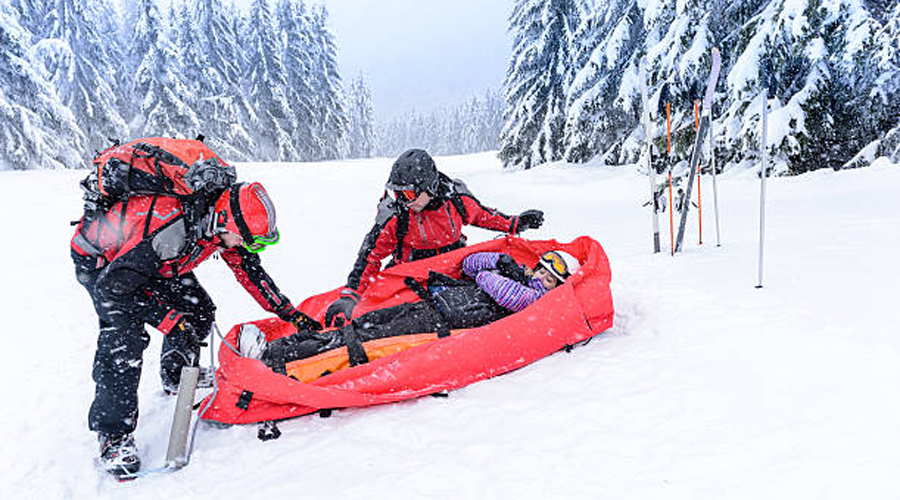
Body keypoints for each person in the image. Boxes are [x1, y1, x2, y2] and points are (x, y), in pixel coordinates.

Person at [71, 181, 320, 478]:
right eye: (246, 239)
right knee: (125, 341)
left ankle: (176, 375)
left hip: (152, 261)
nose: (245, 246)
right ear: (226, 222)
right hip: (106, 266)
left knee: (197, 311)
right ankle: (113, 436)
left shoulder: (217, 224)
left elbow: (251, 272)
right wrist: (169, 319)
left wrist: (289, 313)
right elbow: (113, 289)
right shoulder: (173, 229)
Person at [241, 250, 581, 373]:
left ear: (557, 286)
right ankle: (285, 348)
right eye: (541, 270)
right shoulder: (520, 276)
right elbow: (470, 265)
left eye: (550, 278)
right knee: (361, 324)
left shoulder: (536, 301)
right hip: (434, 307)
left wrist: (493, 272)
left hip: (440, 325)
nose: (541, 277)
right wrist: (497, 259)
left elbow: (497, 289)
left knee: (360, 342)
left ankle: (274, 358)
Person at [323, 149, 546, 328]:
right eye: (397, 193)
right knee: (397, 321)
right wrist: (350, 296)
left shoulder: (455, 199)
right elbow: (370, 256)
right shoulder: (397, 214)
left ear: (428, 187)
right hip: (412, 277)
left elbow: (483, 215)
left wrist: (516, 223)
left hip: (454, 272)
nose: (402, 200)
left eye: (408, 194)